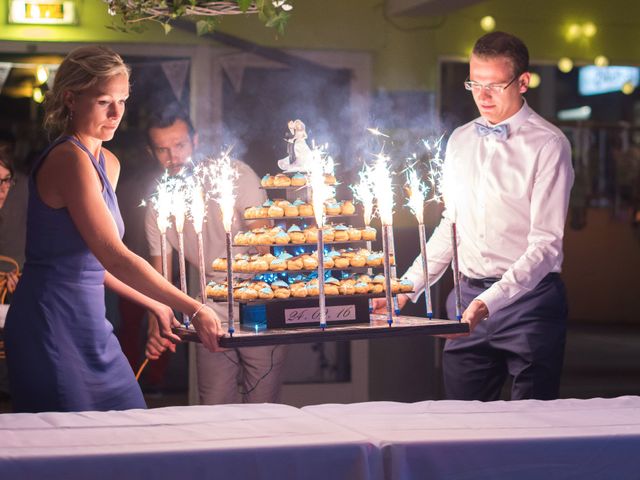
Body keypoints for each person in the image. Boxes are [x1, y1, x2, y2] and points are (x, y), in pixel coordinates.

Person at [4, 46, 223, 413]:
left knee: (129, 425)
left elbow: (97, 264)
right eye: (105, 101)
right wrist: (193, 308)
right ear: (71, 99)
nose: (117, 113)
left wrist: (156, 303)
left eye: (122, 100)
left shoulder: (108, 162)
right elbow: (114, 255)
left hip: (91, 322)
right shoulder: (68, 159)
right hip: (49, 321)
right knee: (68, 454)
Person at [374, 31, 574, 401]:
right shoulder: (460, 140)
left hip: (529, 303)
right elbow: (452, 225)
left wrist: (490, 302)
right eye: (474, 84)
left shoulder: (549, 145)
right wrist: (404, 290)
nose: (482, 97)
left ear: (523, 82)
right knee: (461, 421)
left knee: (532, 426)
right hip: (466, 296)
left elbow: (546, 246)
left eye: (494, 85)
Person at [144, 103, 287, 404]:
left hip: (258, 307)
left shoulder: (235, 175)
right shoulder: (157, 203)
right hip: (207, 312)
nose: (173, 158)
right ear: (152, 153)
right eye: (162, 150)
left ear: (195, 142)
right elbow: (160, 277)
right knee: (213, 410)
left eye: (180, 145)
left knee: (264, 413)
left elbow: (266, 244)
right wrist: (157, 320)